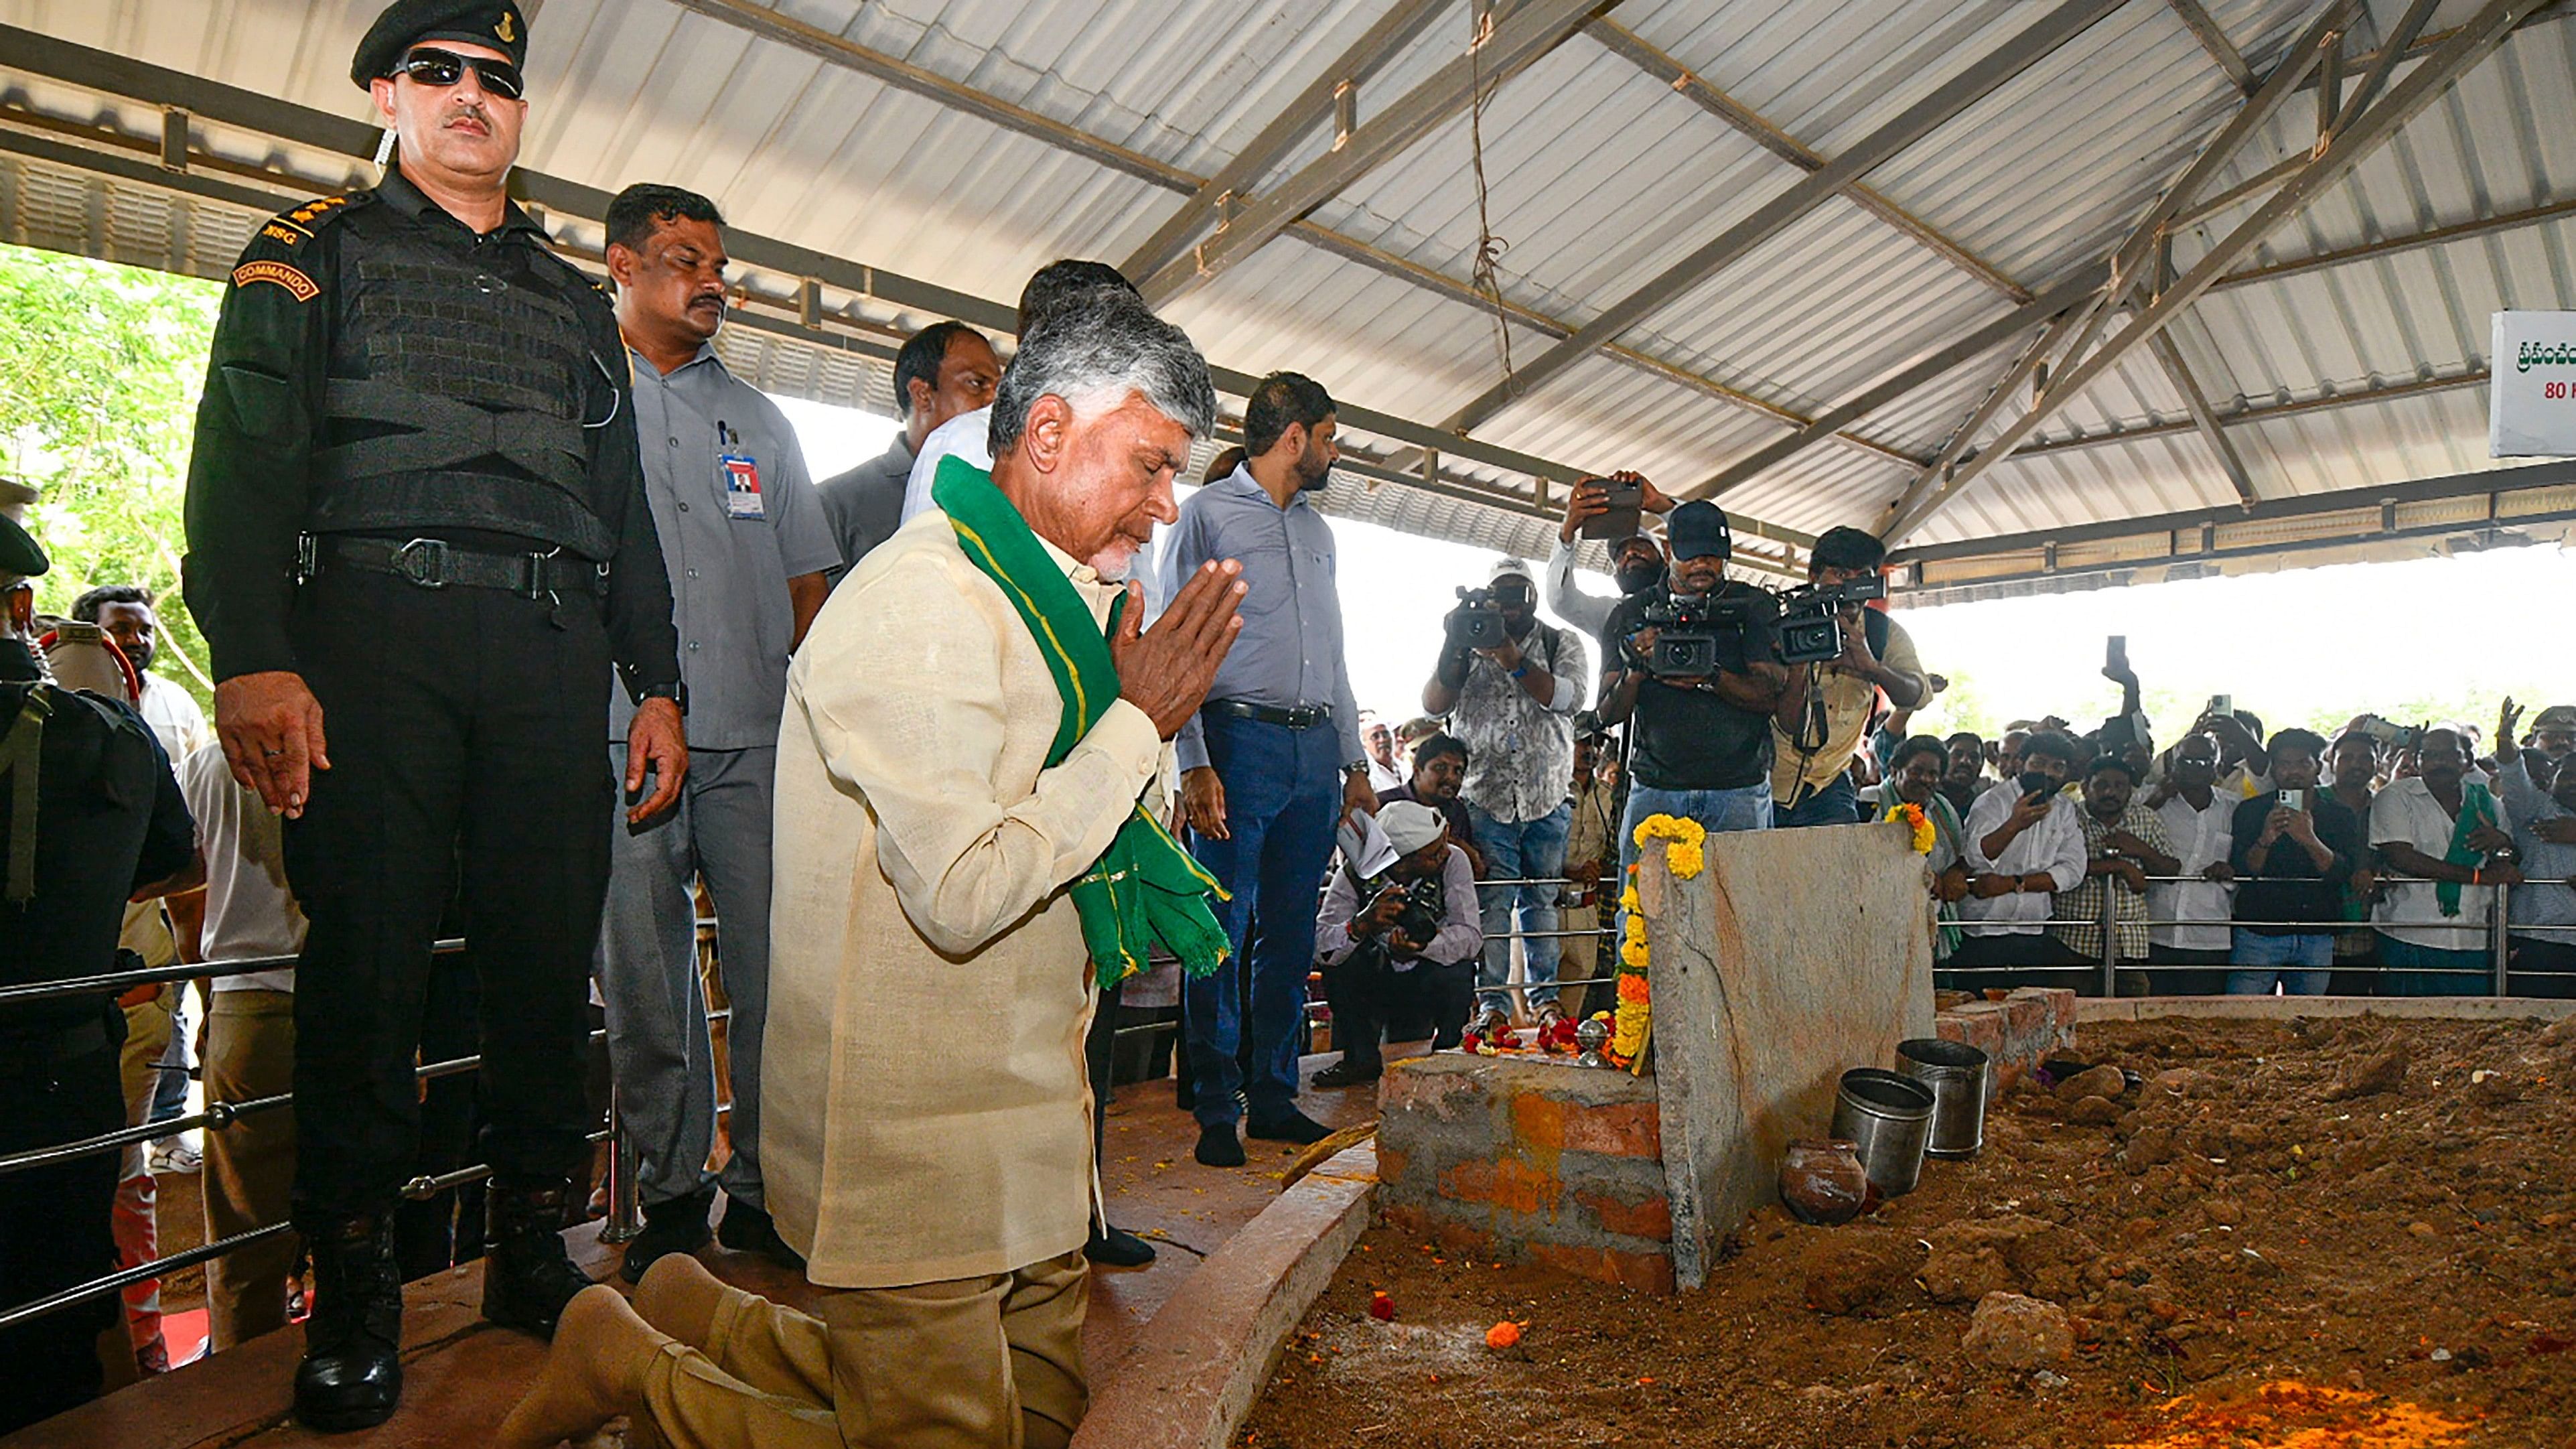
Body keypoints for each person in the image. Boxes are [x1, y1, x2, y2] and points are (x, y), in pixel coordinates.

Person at [500, 282, 1241, 1449]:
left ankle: (698, 1309)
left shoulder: (1060, 602)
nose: (1162, 507)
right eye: (1148, 466)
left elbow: (1093, 827)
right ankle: (638, 1366)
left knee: (1039, 1424)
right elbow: (961, 893)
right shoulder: (919, 602)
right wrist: (1136, 725)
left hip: (1032, 1124)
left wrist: (1132, 718)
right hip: (917, 1136)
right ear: (1047, 431)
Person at [180, 3, 690, 1427]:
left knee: (543, 968)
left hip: (545, 648)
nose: (473, 96)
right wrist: (255, 655)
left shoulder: (571, 292)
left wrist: (655, 679)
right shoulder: (310, 251)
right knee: (369, 980)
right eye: (441, 72)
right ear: (387, 93)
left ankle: (535, 1248)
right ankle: (353, 1294)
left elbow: (621, 509)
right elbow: (237, 458)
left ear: (521, 112)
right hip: (372, 643)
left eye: (499, 80)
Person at [594, 182, 838, 1281]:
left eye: (719, 264)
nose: (712, 282)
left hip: (755, 740)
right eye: (686, 259)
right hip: (620, 737)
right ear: (621, 266)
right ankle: (673, 1192)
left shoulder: (762, 419)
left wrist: (784, 689)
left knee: (778, 974)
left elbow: (808, 580)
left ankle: (766, 1193)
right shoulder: (580, 400)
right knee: (648, 984)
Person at [0, 512, 198, 1433]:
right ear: (24, 605)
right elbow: (170, 856)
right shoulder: (113, 737)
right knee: (60, 1324)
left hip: (65, 1069)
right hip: (66, 1078)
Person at [1164, 370, 1374, 1167]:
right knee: (1219, 931)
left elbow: (1335, 651)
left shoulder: (1322, 534)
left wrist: (1353, 759)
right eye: (1328, 438)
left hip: (1313, 749)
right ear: (1295, 438)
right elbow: (1177, 642)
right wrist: (1193, 761)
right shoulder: (1206, 516)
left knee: (1288, 936)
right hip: (1237, 742)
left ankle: (1276, 1097)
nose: (1333, 452)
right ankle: (1218, 1108)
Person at [171, 738, 307, 1353]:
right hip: (350, 998)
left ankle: (240, 1382)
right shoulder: (355, 739)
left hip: (246, 999)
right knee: (354, 1206)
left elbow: (182, 897)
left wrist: (208, 996)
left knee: (242, 1226)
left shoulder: (206, 762)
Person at [1423, 557, 1583, 1027]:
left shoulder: (1559, 641)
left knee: (1542, 901)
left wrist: (1513, 658)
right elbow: (1433, 704)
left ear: (1533, 597)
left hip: (1547, 796)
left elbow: (1569, 698)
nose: (1509, 605)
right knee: (1493, 902)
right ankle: (1492, 1005)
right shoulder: (1467, 641)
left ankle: (1546, 1001)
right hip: (1487, 797)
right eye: (1501, 595)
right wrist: (1456, 641)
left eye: (1518, 594)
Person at [1596, 500, 1794, 846]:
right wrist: (1636, 669)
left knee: (1737, 899)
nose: (1702, 564)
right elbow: (1606, 713)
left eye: (1713, 555)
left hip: (1739, 787)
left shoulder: (1753, 606)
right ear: (1669, 550)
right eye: (1691, 554)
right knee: (1644, 899)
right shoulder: (1632, 613)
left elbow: (1770, 697)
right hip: (1656, 787)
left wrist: (1711, 676)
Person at [898, 260, 1139, 526]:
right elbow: (926, 564)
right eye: (1118, 348)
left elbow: (1132, 569)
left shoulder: (1125, 456)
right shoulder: (964, 445)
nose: (1133, 367)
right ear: (1050, 348)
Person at [1311, 801, 1481, 1087]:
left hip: (1426, 978)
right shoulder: (1356, 872)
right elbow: (1322, 947)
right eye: (1433, 853)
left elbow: (1471, 937)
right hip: (1375, 980)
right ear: (1403, 860)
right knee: (1341, 964)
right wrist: (1362, 925)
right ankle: (1360, 1060)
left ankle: (1449, 1054)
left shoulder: (1453, 860)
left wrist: (1422, 945)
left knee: (1460, 970)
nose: (1443, 855)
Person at [814, 320, 999, 581]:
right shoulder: (838, 503)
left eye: (999, 389)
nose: (994, 402)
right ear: (922, 394)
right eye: (976, 384)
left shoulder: (1000, 488)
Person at [1770, 528, 1928, 829]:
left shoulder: (1882, 632)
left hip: (1830, 785)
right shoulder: (1778, 621)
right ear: (1814, 575)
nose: (1851, 587)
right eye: (1841, 575)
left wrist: (1874, 669)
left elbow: (1916, 695)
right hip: (1767, 779)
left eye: (1862, 577)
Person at [2370, 727, 2516, 995]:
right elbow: (2401, 857)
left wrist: (2502, 842)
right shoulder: (2395, 796)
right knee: (2404, 1026)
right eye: (2431, 755)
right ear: (2418, 761)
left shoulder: (2490, 804)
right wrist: (2477, 877)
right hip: (2409, 933)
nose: (2440, 762)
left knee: (2469, 1027)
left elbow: (2510, 860)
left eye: (2450, 755)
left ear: (2467, 761)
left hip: (2474, 937)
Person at [2228, 728, 2362, 996]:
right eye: (2285, 765)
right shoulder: (2251, 810)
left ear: (2318, 767)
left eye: (2303, 763)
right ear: (2274, 770)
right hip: (2259, 931)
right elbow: (2244, 871)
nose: (2294, 772)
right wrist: (2265, 839)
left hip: (2317, 931)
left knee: (2309, 1018)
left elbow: (2341, 874)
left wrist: (2310, 840)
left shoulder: (2340, 815)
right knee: (2242, 1015)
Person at [1954, 731, 2090, 989]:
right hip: (1983, 930)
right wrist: (2014, 825)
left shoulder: (2064, 809)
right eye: (2038, 764)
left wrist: (2014, 883)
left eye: (2057, 767)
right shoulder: (1994, 801)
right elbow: (1976, 855)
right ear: (2020, 764)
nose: (2047, 773)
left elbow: (2073, 869)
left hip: (2034, 930)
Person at [2049, 756, 2178, 992]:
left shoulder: (2145, 818)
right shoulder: (2069, 817)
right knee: (2072, 1016)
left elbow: (2171, 870)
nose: (2111, 792)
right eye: (2102, 785)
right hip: (2074, 941)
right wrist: (2120, 867)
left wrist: (2140, 849)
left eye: (2120, 786)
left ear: (2131, 791)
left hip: (2128, 944)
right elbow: (2053, 867)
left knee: (2133, 1017)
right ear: (2085, 787)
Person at [2492, 699, 2576, 997]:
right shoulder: (2535, 809)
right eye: (2566, 775)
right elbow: (2513, 773)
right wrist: (2504, 739)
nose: (2573, 783)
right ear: (2550, 779)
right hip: (2537, 940)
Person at [2147, 734, 2236, 993]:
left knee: (2204, 1018)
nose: (2194, 768)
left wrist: (2229, 872)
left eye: (2204, 762)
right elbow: (2127, 831)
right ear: (2173, 764)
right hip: (2156, 929)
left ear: (2217, 768)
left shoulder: (2234, 807)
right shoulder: (2152, 801)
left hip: (2209, 934)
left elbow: (2243, 861)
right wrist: (2156, 800)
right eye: (2187, 761)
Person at [1548, 471, 1671, 641]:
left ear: (1665, 559)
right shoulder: (1609, 613)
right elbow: (1560, 601)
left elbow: (1704, 545)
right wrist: (1567, 530)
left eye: (1641, 546)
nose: (1630, 553)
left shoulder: (1688, 599)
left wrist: (1662, 506)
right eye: (1620, 554)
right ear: (1615, 575)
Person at [1880, 735, 1971, 965]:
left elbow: (1959, 856)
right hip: (1884, 922)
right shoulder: (1868, 804)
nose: (1925, 779)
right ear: (1894, 770)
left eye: (1933, 774)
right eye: (1916, 771)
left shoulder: (1942, 809)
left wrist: (1953, 873)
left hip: (1931, 921)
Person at [1559, 729, 1621, 1018]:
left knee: (1575, 1001)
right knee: (1532, 1002)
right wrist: (1571, 870)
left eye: (1596, 744)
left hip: (1586, 908)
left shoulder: (1609, 796)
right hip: (1545, 906)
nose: (1590, 750)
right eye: (1582, 742)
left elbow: (1614, 851)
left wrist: (1603, 869)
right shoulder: (1547, 789)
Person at [2323, 729, 2385, 993]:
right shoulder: (2314, 801)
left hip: (2371, 924)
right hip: (2321, 922)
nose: (2356, 764)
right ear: (2332, 762)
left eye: (2365, 758)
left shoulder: (2386, 806)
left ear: (2377, 764)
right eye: (2347, 757)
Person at [1378, 732, 1481, 875]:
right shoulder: (1382, 805)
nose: (1451, 778)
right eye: (1440, 768)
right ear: (1417, 770)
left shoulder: (1456, 810)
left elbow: (1468, 869)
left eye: (1458, 771)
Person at [1940, 731, 1987, 819]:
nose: (1965, 761)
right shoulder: (1928, 797)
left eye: (1973, 757)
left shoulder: (1985, 800)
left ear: (1981, 766)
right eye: (1958, 755)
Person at [1360, 711, 1405, 793]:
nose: (1382, 740)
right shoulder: (1366, 776)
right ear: (1364, 745)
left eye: (1386, 734)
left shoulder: (1406, 767)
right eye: (1375, 737)